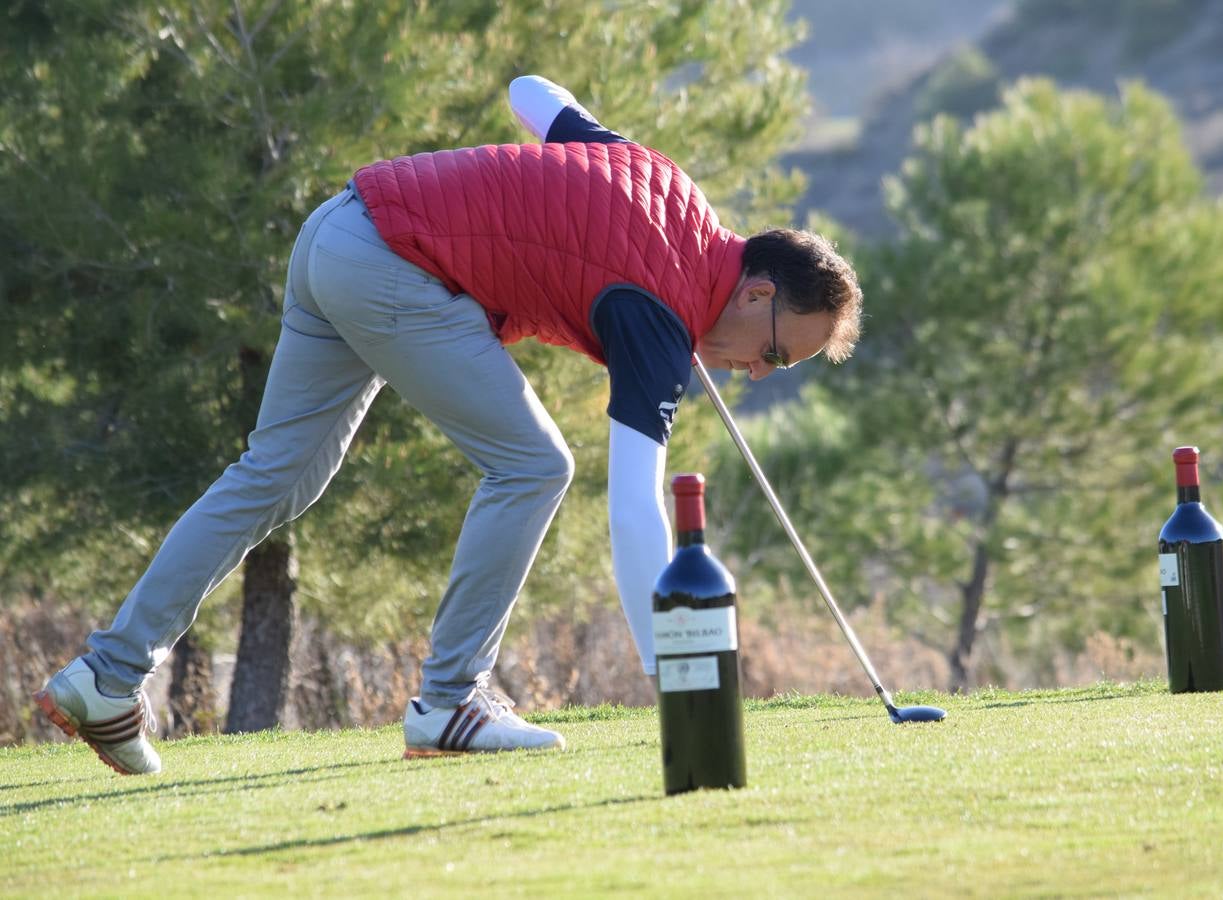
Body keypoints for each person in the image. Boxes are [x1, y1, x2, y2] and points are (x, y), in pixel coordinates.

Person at [34, 76, 863, 774]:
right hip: (391, 262)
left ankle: (109, 676)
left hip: (337, 230)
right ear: (757, 292)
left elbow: (532, 95)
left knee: (273, 476)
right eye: (778, 355)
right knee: (536, 466)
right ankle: (451, 700)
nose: (757, 372)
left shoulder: (667, 184)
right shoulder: (658, 314)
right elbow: (635, 500)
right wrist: (678, 675)